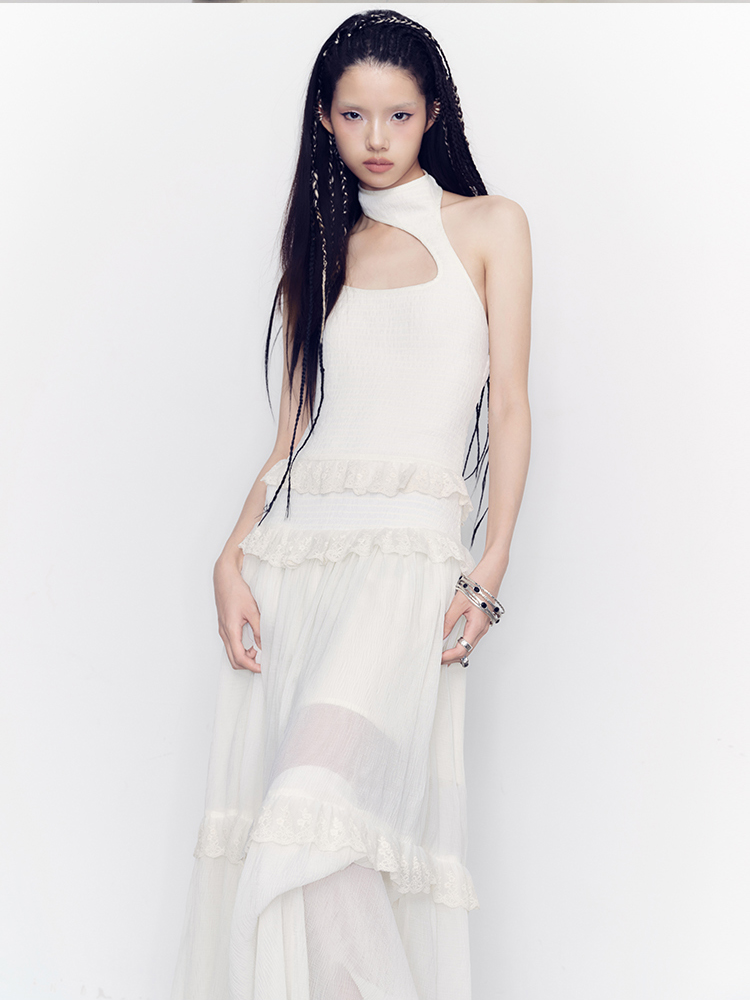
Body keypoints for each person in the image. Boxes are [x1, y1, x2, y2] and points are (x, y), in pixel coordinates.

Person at [171, 8, 532, 999]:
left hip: (407, 565)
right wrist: (229, 557)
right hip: (299, 566)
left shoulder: (490, 226)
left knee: (313, 814)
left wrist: (490, 565)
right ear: (325, 120)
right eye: (354, 115)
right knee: (306, 844)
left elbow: (510, 404)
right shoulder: (324, 252)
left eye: (399, 115)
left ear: (433, 115)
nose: (376, 138)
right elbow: (291, 437)